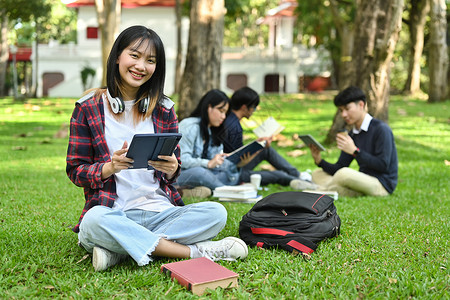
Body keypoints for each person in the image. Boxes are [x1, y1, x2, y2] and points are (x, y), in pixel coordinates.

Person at [66, 26, 248, 272]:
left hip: (160, 210)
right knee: (93, 222)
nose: (141, 66)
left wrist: (173, 168)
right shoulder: (88, 108)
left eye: (150, 60)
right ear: (118, 56)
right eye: (134, 55)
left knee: (217, 212)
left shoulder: (164, 109)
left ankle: (119, 250)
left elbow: (174, 169)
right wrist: (108, 168)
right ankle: (195, 251)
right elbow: (76, 170)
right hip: (114, 212)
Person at [308, 86, 398, 197]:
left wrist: (355, 151)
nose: (343, 115)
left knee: (344, 174)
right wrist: (319, 161)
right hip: (361, 182)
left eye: (347, 109)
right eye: (341, 110)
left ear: (361, 105)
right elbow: (339, 167)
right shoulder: (352, 134)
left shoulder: (381, 129)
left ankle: (317, 189)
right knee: (317, 174)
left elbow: (383, 165)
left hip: (381, 184)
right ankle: (330, 190)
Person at [222, 86, 316, 190]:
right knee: (277, 174)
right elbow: (240, 160)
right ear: (244, 107)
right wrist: (257, 149)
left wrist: (258, 146)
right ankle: (302, 180)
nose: (254, 111)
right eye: (254, 107)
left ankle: (298, 175)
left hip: (233, 166)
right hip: (234, 172)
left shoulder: (229, 119)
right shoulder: (234, 127)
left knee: (266, 150)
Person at [177, 89, 248, 197]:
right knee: (200, 172)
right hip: (180, 174)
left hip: (204, 175)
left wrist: (230, 163)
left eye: (225, 113)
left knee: (225, 173)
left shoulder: (214, 131)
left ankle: (190, 191)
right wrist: (208, 163)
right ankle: (228, 192)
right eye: (221, 111)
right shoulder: (189, 126)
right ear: (208, 107)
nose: (223, 117)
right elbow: (182, 161)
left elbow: (215, 166)